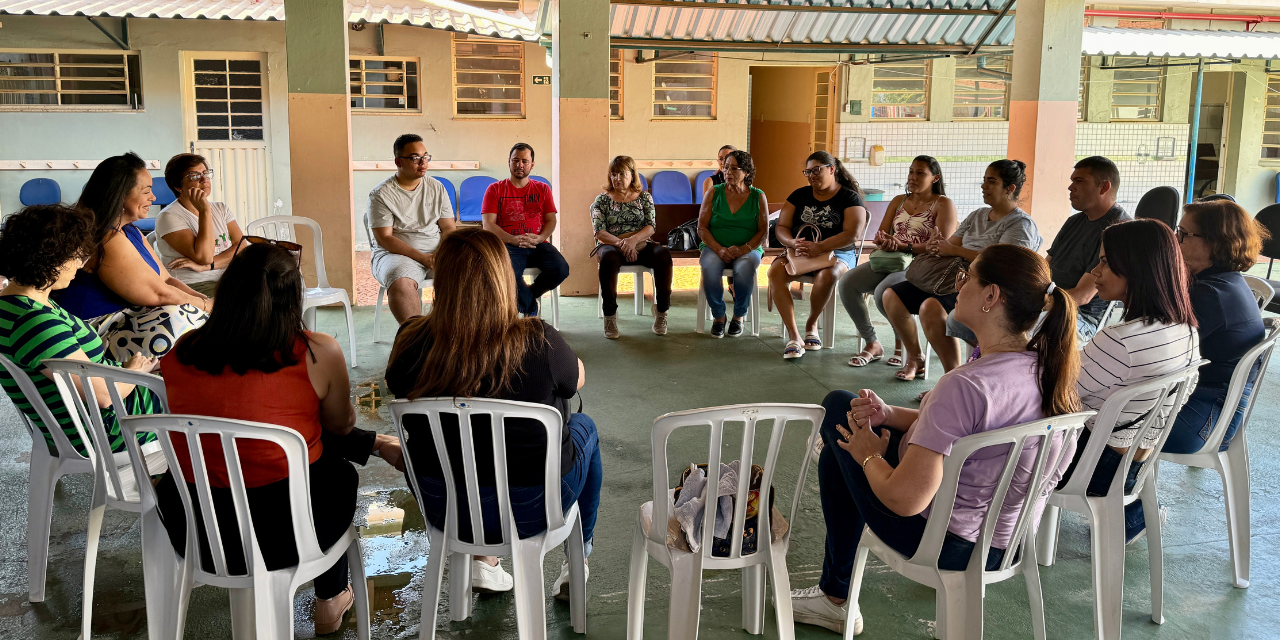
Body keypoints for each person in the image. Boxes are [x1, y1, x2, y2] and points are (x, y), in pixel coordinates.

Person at [791, 244, 1080, 635]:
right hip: (1005, 539)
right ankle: (833, 595)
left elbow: (905, 500)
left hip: (945, 541)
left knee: (839, 417)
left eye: (966, 278)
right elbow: (969, 433)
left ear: (991, 296)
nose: (957, 287)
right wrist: (890, 416)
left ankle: (835, 597)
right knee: (843, 431)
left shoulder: (963, 384)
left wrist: (868, 458)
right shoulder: (1049, 370)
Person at [154, 242, 405, 635]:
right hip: (283, 532)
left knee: (302, 448)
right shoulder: (316, 351)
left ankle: (376, 446)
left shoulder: (185, 349)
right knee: (333, 473)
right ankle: (331, 597)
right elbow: (337, 428)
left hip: (197, 528)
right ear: (294, 297)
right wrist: (371, 442)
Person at [386, 228, 602, 601]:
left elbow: (397, 385)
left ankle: (482, 559)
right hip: (534, 507)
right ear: (504, 277)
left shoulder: (410, 341)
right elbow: (575, 379)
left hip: (445, 505)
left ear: (442, 280)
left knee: (463, 445)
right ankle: (577, 561)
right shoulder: (539, 339)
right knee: (585, 427)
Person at [1058, 220, 1199, 543]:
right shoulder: (1185, 329)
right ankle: (1135, 514)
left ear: (1137, 268)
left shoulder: (1120, 340)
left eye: (1106, 262)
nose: (1095, 271)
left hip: (1090, 466)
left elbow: (1057, 394)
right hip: (1133, 462)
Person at [0, 204, 165, 464]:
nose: (81, 264)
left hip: (97, 415)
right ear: (50, 258)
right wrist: (136, 371)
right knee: (207, 396)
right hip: (108, 429)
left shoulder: (16, 302)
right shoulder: (34, 321)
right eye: (76, 255)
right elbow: (103, 396)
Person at [882, 159, 1040, 381]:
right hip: (952, 278)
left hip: (988, 289)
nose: (984, 186)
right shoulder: (977, 215)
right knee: (891, 295)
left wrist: (956, 250)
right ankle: (916, 358)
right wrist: (939, 245)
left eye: (991, 181)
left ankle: (952, 376)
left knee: (931, 307)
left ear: (1010, 188)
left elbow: (1005, 264)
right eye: (984, 180)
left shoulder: (1020, 224)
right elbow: (951, 245)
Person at [51, 152, 210, 361]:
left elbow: (167, 280)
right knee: (182, 318)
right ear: (120, 195)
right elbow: (159, 294)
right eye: (146, 191)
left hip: (128, 320)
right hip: (95, 332)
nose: (153, 198)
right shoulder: (105, 236)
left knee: (199, 316)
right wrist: (208, 307)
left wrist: (205, 302)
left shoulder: (130, 231)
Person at [1161, 200, 1269, 458]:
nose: (1175, 240)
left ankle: (1124, 498)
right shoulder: (1223, 282)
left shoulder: (1210, 295)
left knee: (1100, 423)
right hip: (1211, 408)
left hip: (1203, 420)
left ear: (1215, 242)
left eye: (1184, 234)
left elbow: (1159, 353)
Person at [840, 156, 958, 368]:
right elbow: (882, 233)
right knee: (848, 283)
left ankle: (905, 346)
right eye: (911, 171)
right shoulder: (898, 201)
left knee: (883, 292)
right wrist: (884, 241)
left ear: (935, 178)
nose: (913, 177)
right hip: (892, 259)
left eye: (920, 173)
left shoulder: (943, 204)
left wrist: (906, 246)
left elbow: (942, 244)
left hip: (922, 264)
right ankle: (872, 342)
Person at [769, 151, 867, 358]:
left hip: (839, 252)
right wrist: (792, 242)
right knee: (774, 273)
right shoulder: (799, 195)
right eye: (808, 172)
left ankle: (811, 324)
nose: (812, 176)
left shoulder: (849, 197)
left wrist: (821, 247)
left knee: (827, 275)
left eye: (816, 170)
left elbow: (853, 234)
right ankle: (794, 337)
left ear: (832, 169)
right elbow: (782, 227)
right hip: (801, 252)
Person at [368, 134, 457, 325]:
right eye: (415, 158)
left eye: (425, 157)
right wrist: (422, 257)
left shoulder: (437, 187)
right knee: (400, 280)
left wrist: (441, 252)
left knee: (472, 271)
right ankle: (417, 341)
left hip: (436, 253)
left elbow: (449, 227)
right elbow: (385, 238)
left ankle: (455, 336)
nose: (423, 163)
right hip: (396, 254)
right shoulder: (381, 194)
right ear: (398, 161)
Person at [1042, 156, 1131, 344]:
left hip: (1081, 318)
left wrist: (1035, 305)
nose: (1070, 187)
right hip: (1053, 303)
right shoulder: (1074, 221)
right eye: (1072, 181)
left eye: (1079, 181)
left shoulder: (1118, 230)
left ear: (1104, 187)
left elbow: (1082, 296)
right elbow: (1043, 267)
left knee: (1018, 328)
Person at [481, 143, 569, 316]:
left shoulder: (542, 189)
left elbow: (551, 220)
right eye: (515, 160)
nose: (519, 165)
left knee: (561, 269)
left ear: (532, 164)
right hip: (509, 245)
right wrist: (513, 239)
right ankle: (530, 310)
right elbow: (488, 224)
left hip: (538, 244)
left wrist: (539, 237)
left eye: (524, 161)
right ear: (509, 162)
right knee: (507, 274)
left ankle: (528, 297)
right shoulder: (495, 189)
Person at [592, 155, 673, 338]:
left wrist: (633, 241)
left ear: (632, 174)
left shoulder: (644, 197)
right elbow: (599, 232)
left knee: (663, 255)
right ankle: (610, 315)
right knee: (609, 259)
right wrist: (622, 243)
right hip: (611, 245)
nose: (617, 179)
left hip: (641, 243)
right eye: (613, 174)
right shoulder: (602, 200)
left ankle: (661, 311)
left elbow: (651, 227)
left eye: (622, 174)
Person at [697, 150, 769, 338]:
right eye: (726, 167)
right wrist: (719, 249)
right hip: (715, 247)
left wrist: (745, 248)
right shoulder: (714, 192)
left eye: (734, 168)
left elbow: (763, 231)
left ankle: (739, 316)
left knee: (745, 267)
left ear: (746, 172)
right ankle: (719, 316)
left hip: (748, 247)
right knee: (709, 267)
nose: (728, 172)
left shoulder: (758, 196)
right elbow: (702, 228)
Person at [154, 153, 248, 297]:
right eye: (194, 176)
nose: (204, 180)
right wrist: (205, 211)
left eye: (205, 173)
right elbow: (204, 256)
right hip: (194, 285)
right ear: (178, 186)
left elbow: (241, 246)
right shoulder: (169, 216)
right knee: (249, 303)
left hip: (227, 278)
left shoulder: (221, 208)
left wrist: (208, 266)